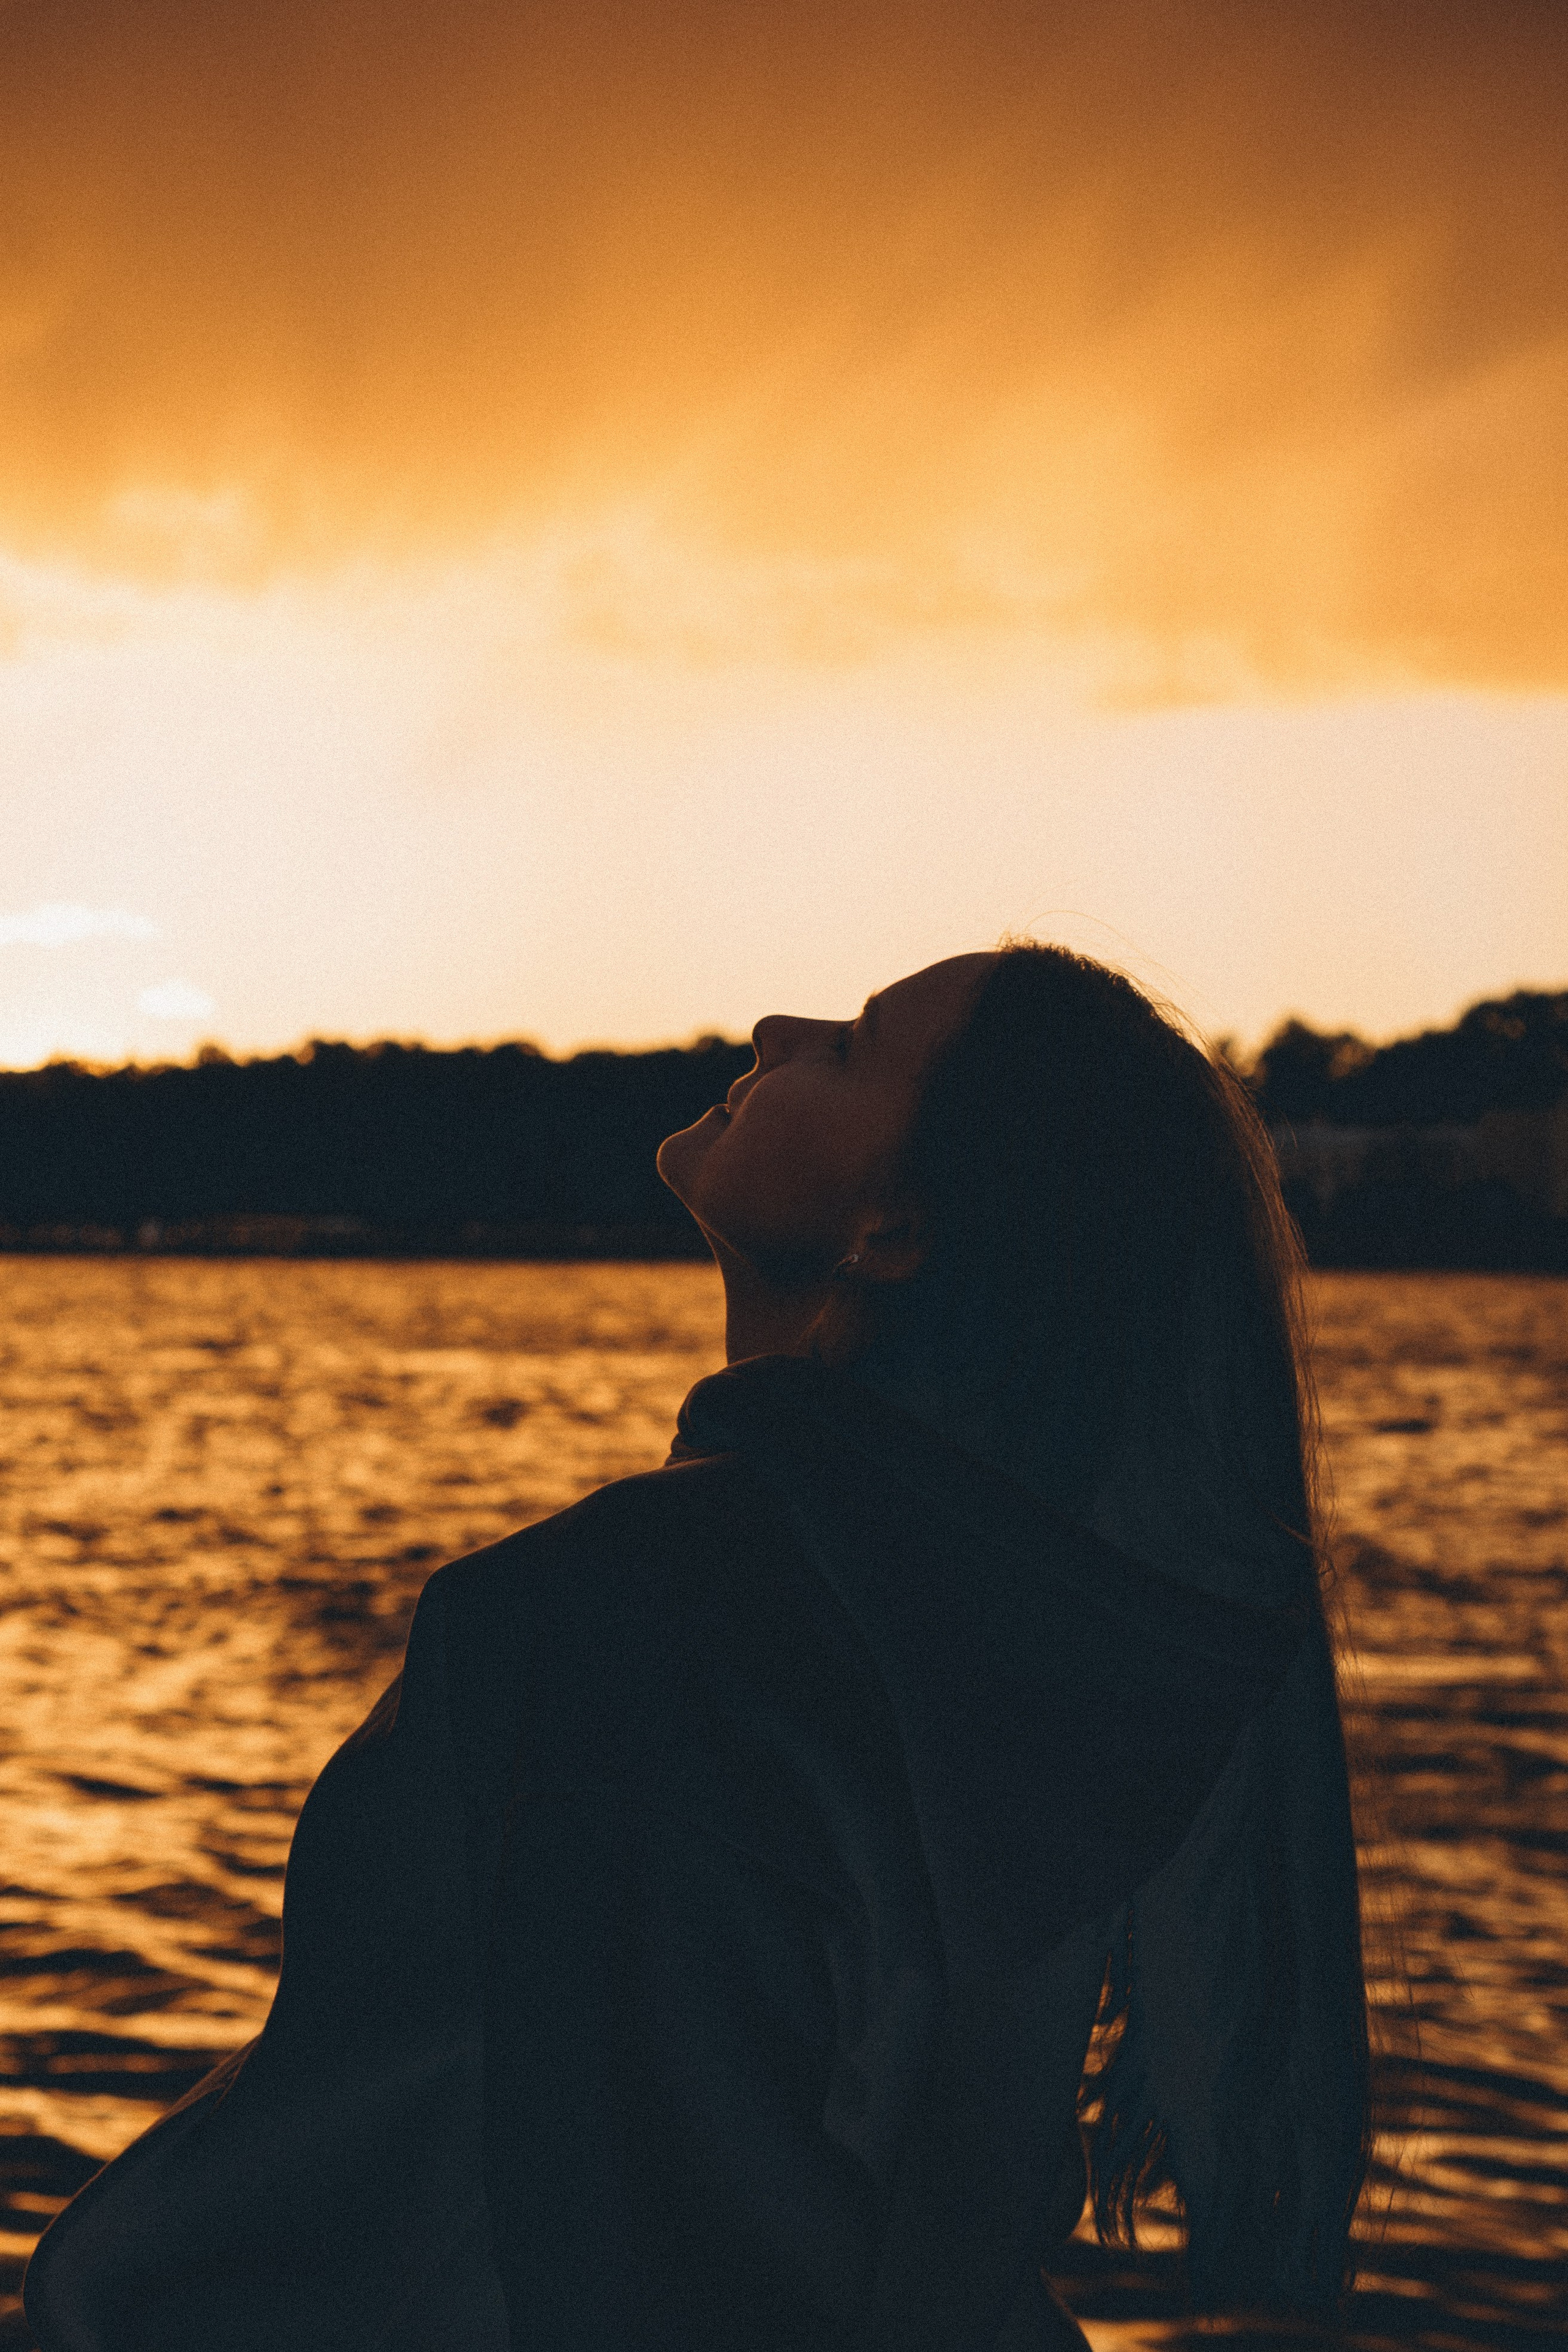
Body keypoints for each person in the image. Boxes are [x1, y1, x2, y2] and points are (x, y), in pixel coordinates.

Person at [24, 942, 1370, 2351]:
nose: (775, 1023)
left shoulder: (640, 1614)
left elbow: (637, 2254)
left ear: (892, 1231)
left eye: (849, 1046)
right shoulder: (1018, 1664)